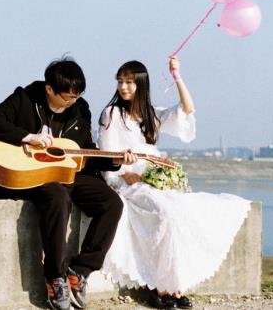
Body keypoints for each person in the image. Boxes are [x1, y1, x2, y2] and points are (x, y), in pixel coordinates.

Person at [0, 57, 136, 310]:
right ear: (49, 89)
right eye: (67, 97)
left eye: (77, 96)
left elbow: (84, 152)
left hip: (67, 173)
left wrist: (115, 161)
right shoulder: (25, 98)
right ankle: (55, 276)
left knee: (112, 203)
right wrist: (27, 137)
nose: (73, 102)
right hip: (27, 175)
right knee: (57, 197)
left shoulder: (80, 109)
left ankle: (80, 270)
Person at [98, 56, 251, 309]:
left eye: (129, 82)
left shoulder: (152, 113)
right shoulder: (112, 113)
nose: (123, 87)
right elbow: (107, 155)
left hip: (153, 179)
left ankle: (176, 285)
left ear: (141, 84)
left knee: (182, 212)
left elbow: (187, 109)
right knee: (165, 213)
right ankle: (160, 286)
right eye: (120, 81)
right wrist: (123, 173)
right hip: (128, 180)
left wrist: (177, 76)